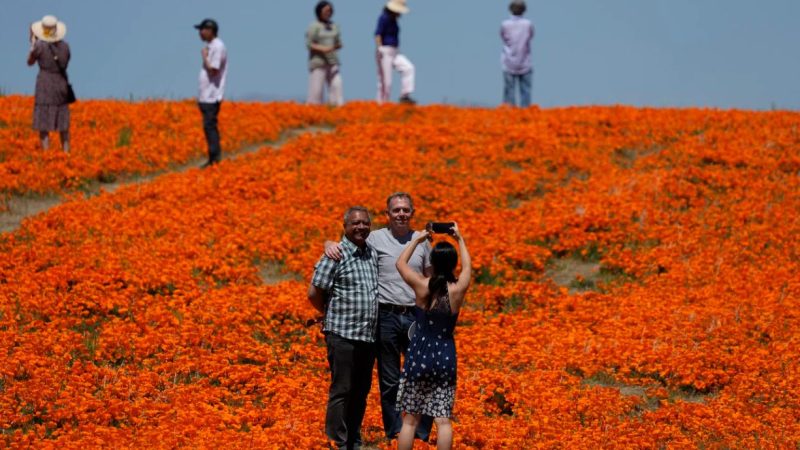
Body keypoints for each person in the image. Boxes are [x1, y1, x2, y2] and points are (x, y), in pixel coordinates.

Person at [324, 193, 434, 443]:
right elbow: (349, 239)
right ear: (387, 214)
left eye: (406, 210)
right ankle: (394, 430)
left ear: (413, 213)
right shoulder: (375, 238)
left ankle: (421, 431)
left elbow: (430, 277)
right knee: (390, 378)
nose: (401, 214)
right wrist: (327, 243)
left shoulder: (421, 240)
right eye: (396, 210)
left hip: (415, 315)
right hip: (386, 316)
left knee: (421, 375)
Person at [395, 223, 471, 450]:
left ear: (433, 263)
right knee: (443, 419)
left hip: (419, 352)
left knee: (410, 419)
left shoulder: (421, 284)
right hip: (445, 353)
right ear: (453, 263)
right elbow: (468, 267)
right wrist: (460, 238)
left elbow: (400, 263)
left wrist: (418, 240)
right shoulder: (458, 288)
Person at [308, 206, 379, 450]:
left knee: (360, 391)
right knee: (342, 390)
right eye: (355, 223)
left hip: (367, 336)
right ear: (345, 227)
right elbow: (314, 292)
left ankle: (353, 439)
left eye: (365, 223)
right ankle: (336, 442)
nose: (361, 227)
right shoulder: (335, 254)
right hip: (342, 334)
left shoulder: (371, 252)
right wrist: (328, 314)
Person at [27, 15, 71, 152]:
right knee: (63, 121)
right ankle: (66, 154)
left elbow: (29, 62)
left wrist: (32, 44)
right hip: (60, 83)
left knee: (43, 122)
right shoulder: (65, 46)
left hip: (45, 83)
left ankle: (47, 155)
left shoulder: (39, 46)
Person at [194, 18, 228, 168]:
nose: (200, 33)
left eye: (202, 30)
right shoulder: (211, 46)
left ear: (210, 31)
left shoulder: (218, 47)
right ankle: (213, 158)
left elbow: (214, 69)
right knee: (208, 126)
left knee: (210, 125)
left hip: (212, 95)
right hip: (206, 94)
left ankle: (214, 159)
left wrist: (204, 56)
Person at [375, 0, 416, 105]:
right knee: (386, 82)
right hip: (385, 50)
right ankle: (382, 105)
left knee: (408, 68)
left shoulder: (394, 20)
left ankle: (405, 95)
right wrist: (379, 48)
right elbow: (378, 34)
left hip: (395, 51)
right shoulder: (384, 18)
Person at [306, 1, 344, 106]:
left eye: (330, 10)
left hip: (333, 61)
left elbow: (338, 41)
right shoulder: (314, 26)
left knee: (337, 86)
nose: (328, 12)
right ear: (319, 11)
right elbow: (309, 44)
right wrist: (323, 49)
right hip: (318, 62)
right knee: (316, 91)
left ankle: (336, 110)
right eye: (326, 10)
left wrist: (337, 46)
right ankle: (314, 112)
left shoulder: (334, 26)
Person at [500, 0, 535, 107]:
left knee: (509, 90)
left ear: (510, 9)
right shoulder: (528, 24)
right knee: (525, 90)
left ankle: (510, 113)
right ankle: (525, 113)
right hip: (525, 61)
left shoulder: (505, 24)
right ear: (524, 10)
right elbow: (531, 36)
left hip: (509, 61)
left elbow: (503, 37)